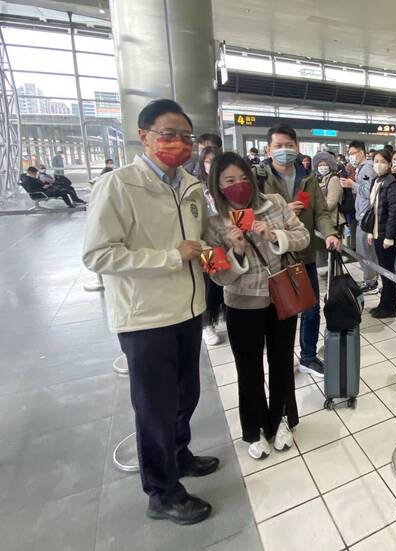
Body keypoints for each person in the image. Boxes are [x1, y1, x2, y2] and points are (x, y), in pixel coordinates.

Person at [83, 99, 218, 525]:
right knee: (155, 408)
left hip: (186, 309)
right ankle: (162, 493)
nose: (179, 143)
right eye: (168, 134)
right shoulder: (119, 186)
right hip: (145, 318)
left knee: (185, 395)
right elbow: (98, 254)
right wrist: (170, 257)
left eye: (185, 136)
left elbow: (199, 234)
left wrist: (216, 244)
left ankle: (178, 456)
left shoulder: (191, 186)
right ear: (144, 136)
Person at [206, 152, 310, 459]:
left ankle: (280, 420)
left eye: (242, 178)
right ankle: (253, 429)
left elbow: (302, 236)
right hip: (240, 304)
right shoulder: (212, 223)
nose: (238, 185)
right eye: (229, 181)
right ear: (218, 185)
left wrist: (274, 234)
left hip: (281, 298)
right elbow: (216, 276)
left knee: (281, 362)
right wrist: (235, 250)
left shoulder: (275, 203)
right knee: (248, 368)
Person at [259, 123, 339, 379]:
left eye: (289, 145)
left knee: (311, 308)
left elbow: (321, 212)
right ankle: (278, 360)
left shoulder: (308, 177)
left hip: (303, 254)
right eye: (278, 146)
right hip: (272, 259)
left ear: (297, 147)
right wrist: (283, 215)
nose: (284, 150)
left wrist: (330, 233)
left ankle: (307, 356)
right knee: (277, 314)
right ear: (268, 149)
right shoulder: (259, 178)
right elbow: (251, 217)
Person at [367, 149, 396, 318]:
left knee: (388, 272)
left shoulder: (392, 183)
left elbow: (394, 211)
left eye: (382, 161)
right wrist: (370, 232)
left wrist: (389, 237)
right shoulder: (377, 180)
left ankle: (390, 308)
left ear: (389, 164)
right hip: (377, 232)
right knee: (383, 271)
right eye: (375, 161)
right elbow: (374, 209)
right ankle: (384, 303)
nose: (378, 164)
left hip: (387, 235)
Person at [341, 141, 379, 293]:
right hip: (363, 215)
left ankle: (370, 281)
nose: (350, 157)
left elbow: (372, 192)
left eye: (353, 153)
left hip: (366, 217)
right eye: (349, 154)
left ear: (361, 153)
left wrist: (353, 185)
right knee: (366, 250)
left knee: (365, 251)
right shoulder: (362, 168)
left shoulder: (367, 168)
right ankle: (371, 278)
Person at [198, 146, 226, 346]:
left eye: (215, 160)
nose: (212, 164)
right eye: (208, 161)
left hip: (230, 241)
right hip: (208, 243)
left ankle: (226, 317)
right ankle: (208, 324)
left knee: (229, 282)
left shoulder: (228, 183)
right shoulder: (196, 187)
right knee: (211, 285)